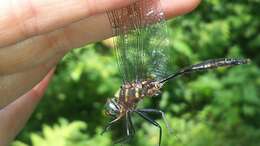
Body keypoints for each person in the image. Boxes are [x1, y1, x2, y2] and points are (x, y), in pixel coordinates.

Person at [0, 0, 201, 145]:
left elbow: (135, 129)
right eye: (114, 109)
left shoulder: (129, 98)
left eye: (113, 110)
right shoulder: (128, 102)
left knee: (154, 125)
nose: (114, 111)